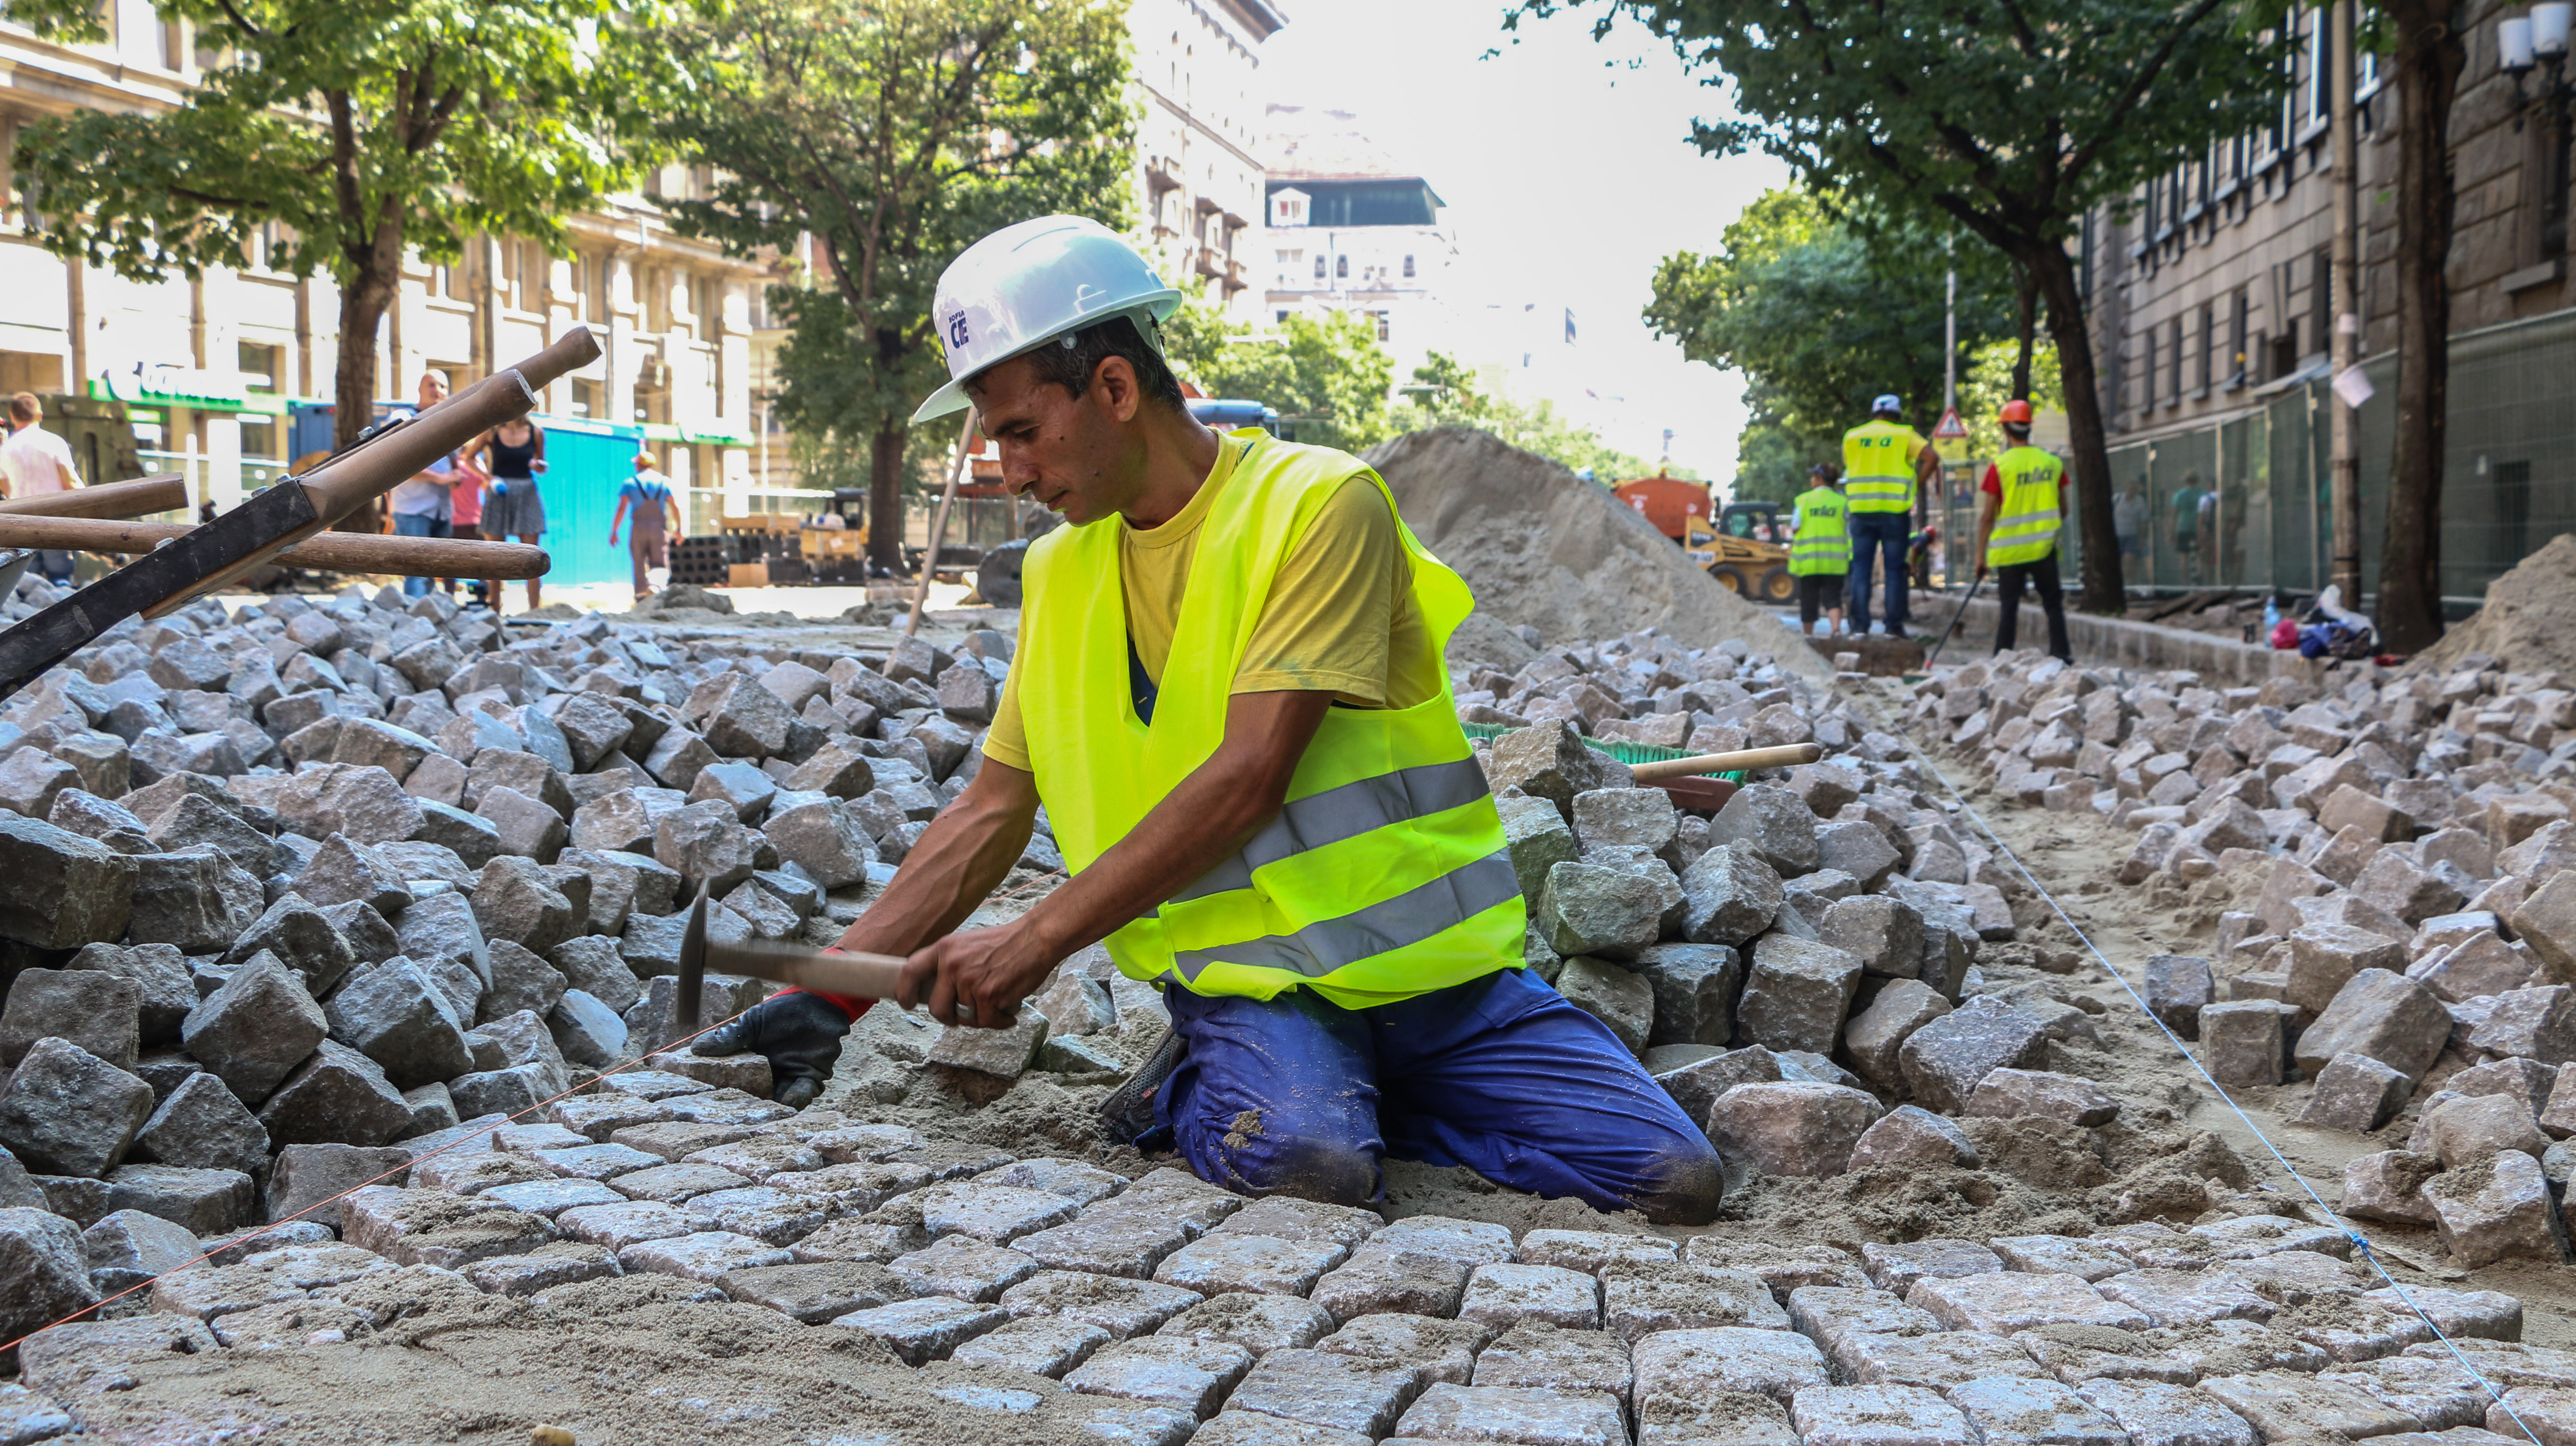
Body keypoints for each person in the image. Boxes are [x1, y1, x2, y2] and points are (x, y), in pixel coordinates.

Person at [693, 215, 1723, 1222]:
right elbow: (992, 811)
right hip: (1257, 991)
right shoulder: (1062, 570)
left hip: (1445, 988)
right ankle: (1245, 1083)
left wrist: (1033, 942)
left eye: (1019, 431)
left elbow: (1249, 775)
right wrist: (832, 994)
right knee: (1314, 1164)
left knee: (1676, 1176)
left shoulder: (1319, 507)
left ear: (1113, 387)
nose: (1010, 471)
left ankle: (1303, 1089)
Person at [1976, 399, 2072, 663]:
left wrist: (1980, 557)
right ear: (2029, 428)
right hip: (2044, 547)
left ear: (2006, 430)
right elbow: (2064, 508)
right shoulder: (2052, 463)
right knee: (2053, 604)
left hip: (2009, 552)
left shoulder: (2000, 466)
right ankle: (2062, 655)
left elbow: (1987, 516)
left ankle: (2002, 658)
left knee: (2009, 606)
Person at [1841, 394, 1937, 638]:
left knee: (1861, 569)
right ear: (1897, 416)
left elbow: (1850, 466)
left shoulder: (1852, 437)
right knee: (1894, 570)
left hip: (1861, 511)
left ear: (1874, 413)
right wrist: (1915, 486)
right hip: (1895, 511)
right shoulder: (1904, 435)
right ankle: (1893, 627)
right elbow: (1931, 457)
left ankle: (1859, 628)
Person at [465, 415, 548, 612]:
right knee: (494, 556)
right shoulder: (491, 432)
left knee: (532, 556)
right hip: (499, 493)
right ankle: (494, 611)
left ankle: (534, 612)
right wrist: (487, 478)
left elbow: (542, 466)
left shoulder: (536, 432)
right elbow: (468, 457)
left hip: (527, 494)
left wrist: (538, 466)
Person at [0, 392, 81, 585]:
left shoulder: (6, 449)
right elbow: (71, 484)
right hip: (56, 521)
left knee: (28, 580)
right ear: (40, 415)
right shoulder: (53, 442)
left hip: (21, 523)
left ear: (13, 417)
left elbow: (5, 487)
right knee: (60, 579)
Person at [386, 372, 455, 599]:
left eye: (443, 386)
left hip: (441, 510)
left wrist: (455, 477)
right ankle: (416, 624)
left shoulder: (451, 420)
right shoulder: (403, 417)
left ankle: (428, 622)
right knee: (417, 572)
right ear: (419, 388)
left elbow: (458, 461)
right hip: (412, 509)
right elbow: (398, 462)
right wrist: (440, 479)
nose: (437, 390)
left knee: (434, 570)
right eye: (432, 384)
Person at [610, 452, 682, 602]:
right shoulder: (664, 482)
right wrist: (679, 529)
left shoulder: (630, 483)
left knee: (638, 563)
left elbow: (622, 508)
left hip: (639, 528)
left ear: (638, 465)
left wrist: (615, 531)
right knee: (660, 562)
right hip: (659, 529)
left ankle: (641, 597)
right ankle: (657, 591)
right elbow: (674, 506)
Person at [1789, 461, 1849, 637]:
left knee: (1809, 600)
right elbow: (1849, 529)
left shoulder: (1803, 500)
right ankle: (1836, 631)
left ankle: (1808, 636)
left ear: (1820, 478)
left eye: (1813, 477)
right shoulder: (1842, 502)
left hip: (1809, 562)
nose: (1811, 480)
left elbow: (1795, 527)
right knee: (1833, 598)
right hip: (1835, 561)